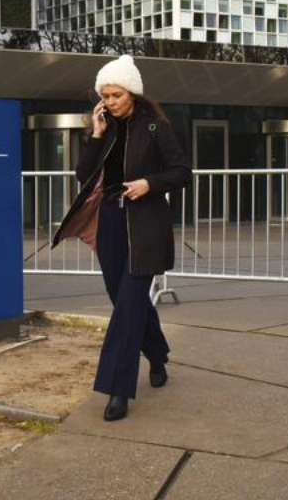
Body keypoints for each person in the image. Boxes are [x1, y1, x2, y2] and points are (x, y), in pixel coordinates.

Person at [53, 55, 192, 421]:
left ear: (132, 93)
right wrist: (96, 135)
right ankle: (158, 353)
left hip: (145, 224)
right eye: (106, 96)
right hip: (111, 222)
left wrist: (150, 184)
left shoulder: (154, 128)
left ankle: (117, 390)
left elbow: (181, 171)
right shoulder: (107, 129)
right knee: (124, 300)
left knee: (129, 304)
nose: (111, 101)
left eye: (116, 94)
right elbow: (85, 176)